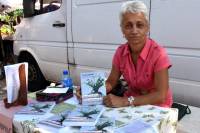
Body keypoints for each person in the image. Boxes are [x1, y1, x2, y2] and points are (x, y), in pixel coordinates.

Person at [76, 0, 172, 108]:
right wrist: (89, 91)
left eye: (140, 25)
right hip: (131, 104)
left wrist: (125, 101)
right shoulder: (120, 53)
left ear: (147, 28)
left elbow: (161, 95)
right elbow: (111, 82)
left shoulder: (159, 54)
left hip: (155, 106)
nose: (134, 31)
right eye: (128, 26)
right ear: (122, 29)